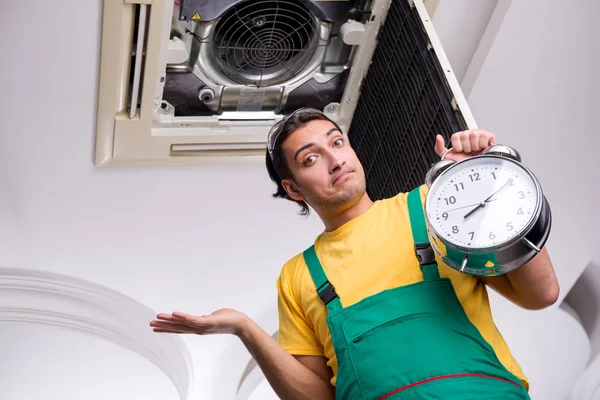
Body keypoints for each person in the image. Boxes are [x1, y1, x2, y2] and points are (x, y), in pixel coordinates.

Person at [150, 108, 559, 399]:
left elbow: (540, 292)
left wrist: (485, 181)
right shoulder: (300, 276)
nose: (334, 160)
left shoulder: (432, 207)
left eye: (337, 143)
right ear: (294, 189)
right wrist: (243, 327)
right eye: (311, 158)